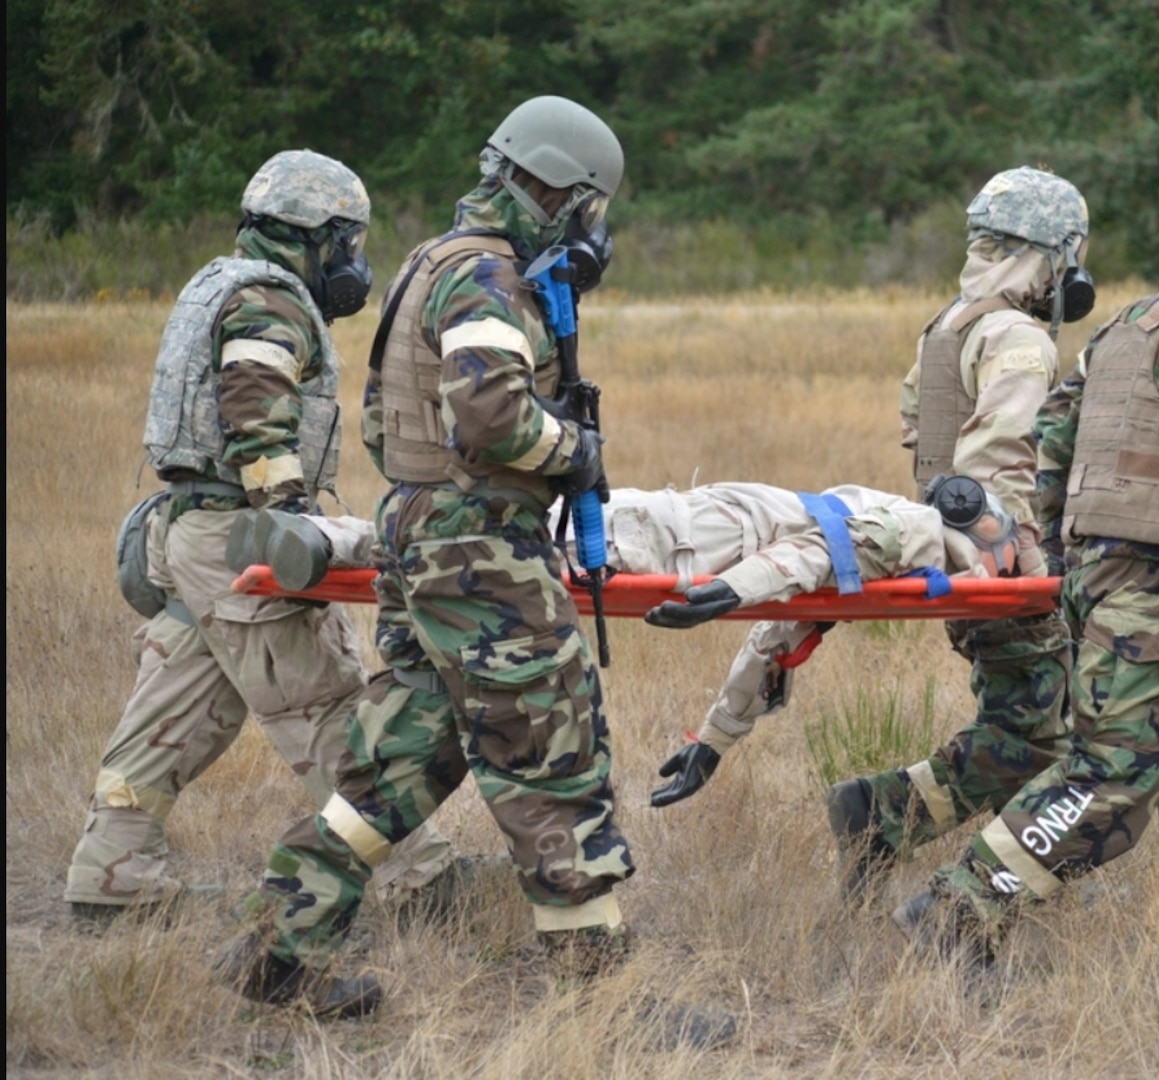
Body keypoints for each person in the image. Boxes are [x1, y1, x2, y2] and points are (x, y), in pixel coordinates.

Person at [217, 96, 639, 1018]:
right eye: (591, 207)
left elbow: (385, 420)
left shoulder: (435, 261)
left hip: (425, 531)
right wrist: (575, 450)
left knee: (403, 760)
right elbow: (492, 420)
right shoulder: (487, 276)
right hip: (480, 550)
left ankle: (279, 948)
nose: (593, 229)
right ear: (560, 193)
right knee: (549, 753)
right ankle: (600, 998)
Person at [893, 176, 1159, 961]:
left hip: (1156, 590)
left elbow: (1054, 434)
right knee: (1113, 775)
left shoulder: (1125, 326)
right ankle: (960, 907)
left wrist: (1069, 557)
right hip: (1157, 595)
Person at [65, 150, 454, 924]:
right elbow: (253, 395)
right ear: (318, 237)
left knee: (171, 713)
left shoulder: (221, 282)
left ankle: (113, 874)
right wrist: (289, 517)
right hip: (240, 537)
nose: (353, 262)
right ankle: (419, 879)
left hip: (192, 532)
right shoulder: (270, 300)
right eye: (348, 242)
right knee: (327, 702)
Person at [226, 476, 1026, 809]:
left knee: (469, 549)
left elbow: (774, 639)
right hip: (669, 542)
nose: (1006, 554)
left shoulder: (901, 544)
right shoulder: (922, 530)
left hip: (680, 532)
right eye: (1006, 540)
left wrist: (711, 744)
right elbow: (816, 555)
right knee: (481, 550)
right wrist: (725, 591)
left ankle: (322, 537)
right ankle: (326, 537)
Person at [819, 166, 1096, 899]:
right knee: (1039, 739)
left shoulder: (946, 327)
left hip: (948, 557)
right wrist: (1020, 564)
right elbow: (996, 458)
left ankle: (918, 835)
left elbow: (920, 434)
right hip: (997, 569)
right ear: (1051, 253)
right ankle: (884, 817)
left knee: (1026, 725)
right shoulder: (1017, 336)